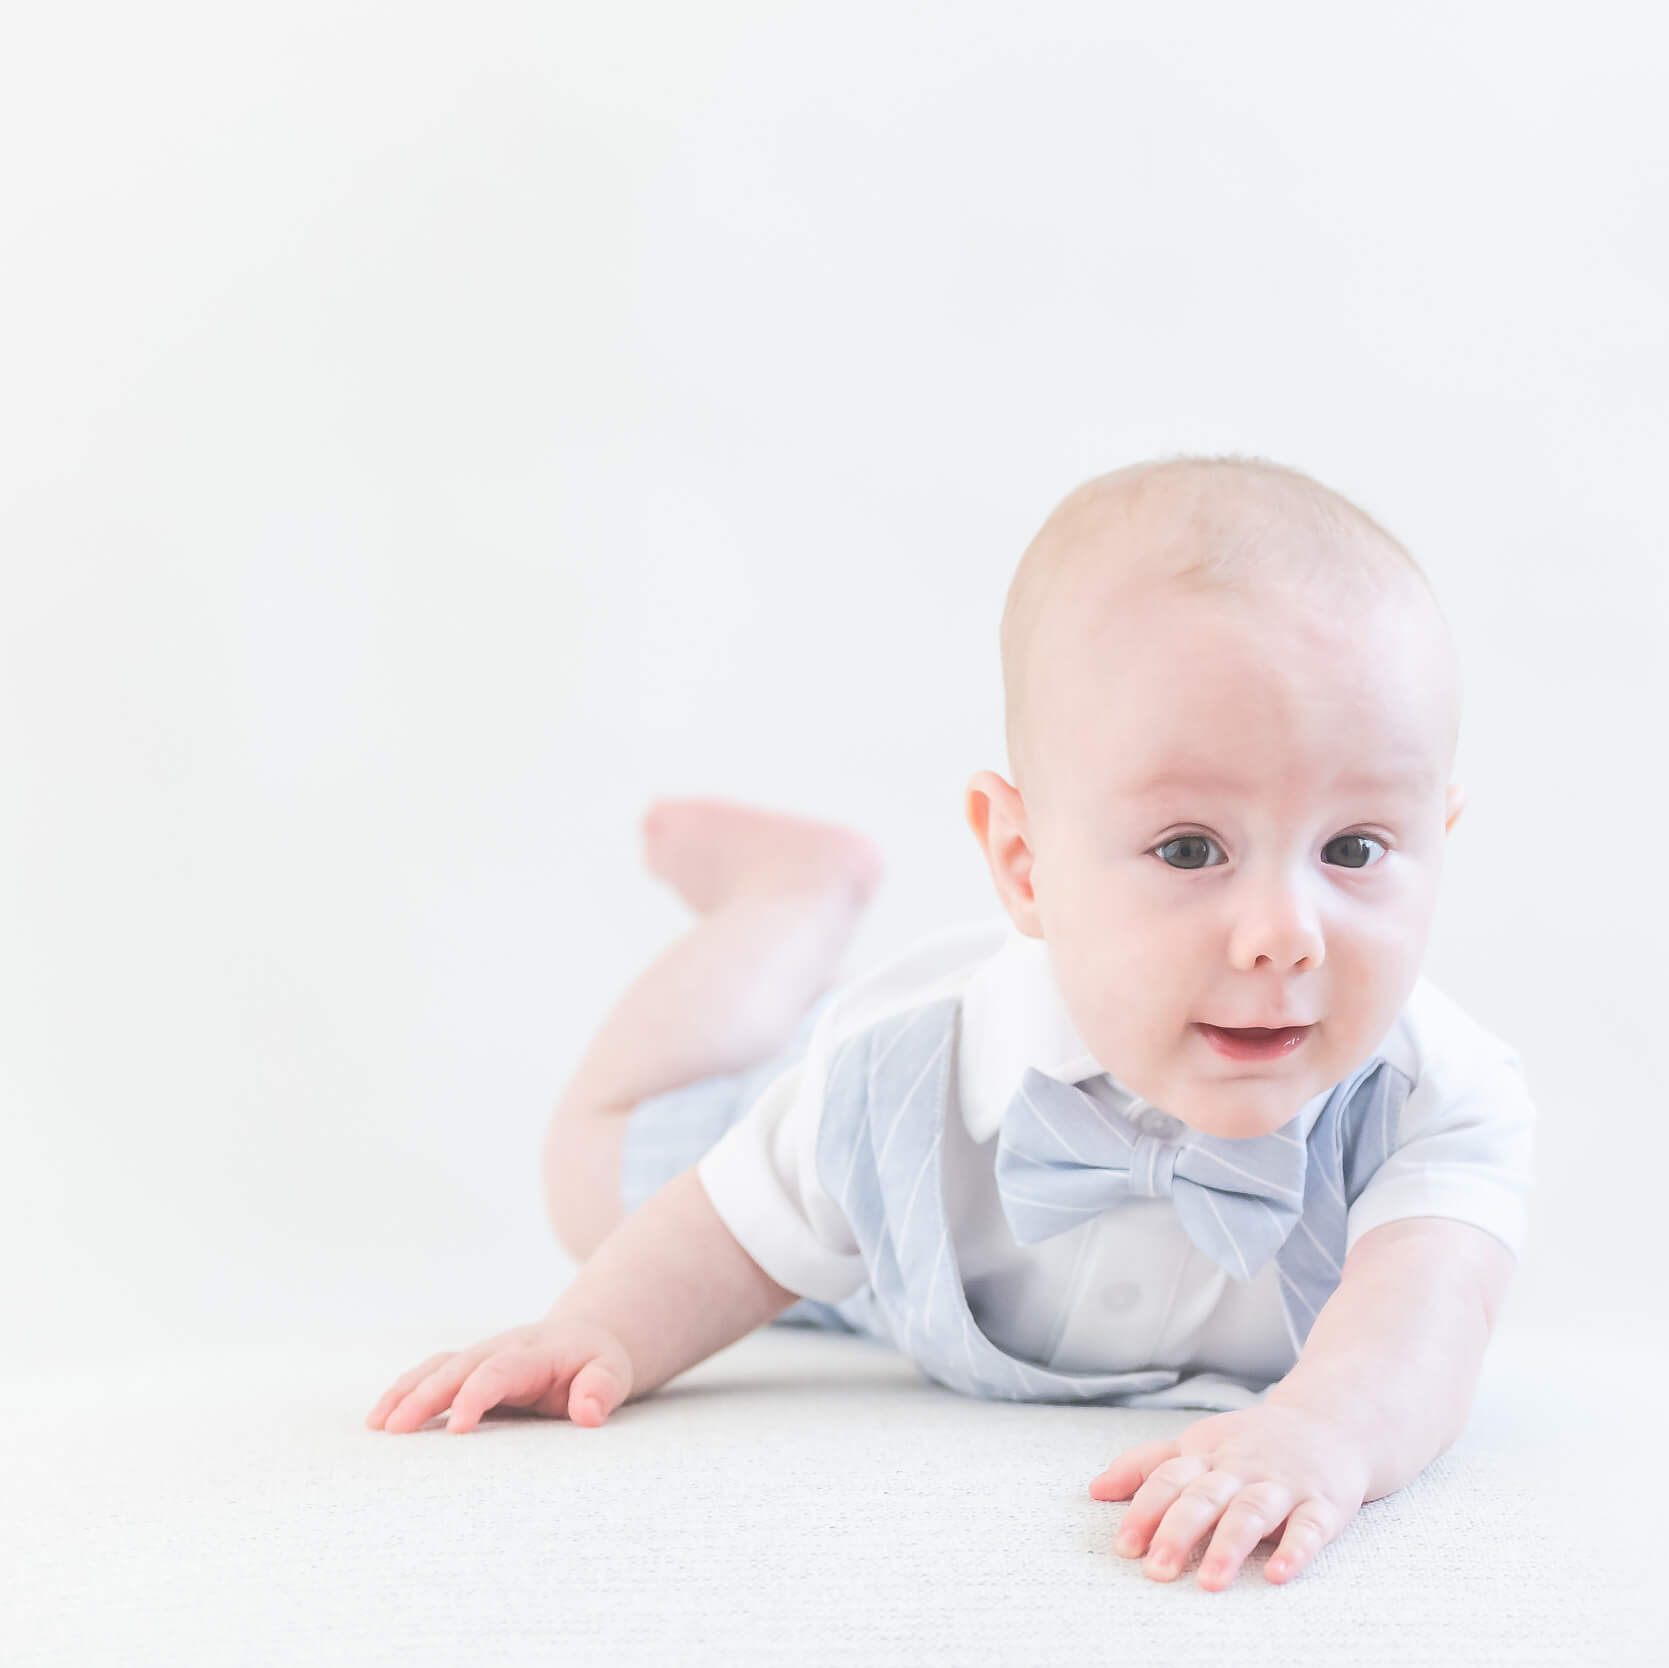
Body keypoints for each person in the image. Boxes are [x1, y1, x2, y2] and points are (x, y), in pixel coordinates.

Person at [365, 454, 1538, 1593]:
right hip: (869, 1248)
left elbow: (1425, 1325)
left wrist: (1322, 1433)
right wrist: (595, 1331)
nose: (1284, 934)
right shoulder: (902, 1069)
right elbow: (723, 1229)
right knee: (594, 1174)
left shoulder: (1439, 1099)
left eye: (1354, 851)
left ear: (1441, 836)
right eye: (1190, 849)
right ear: (1024, 863)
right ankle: (790, 900)